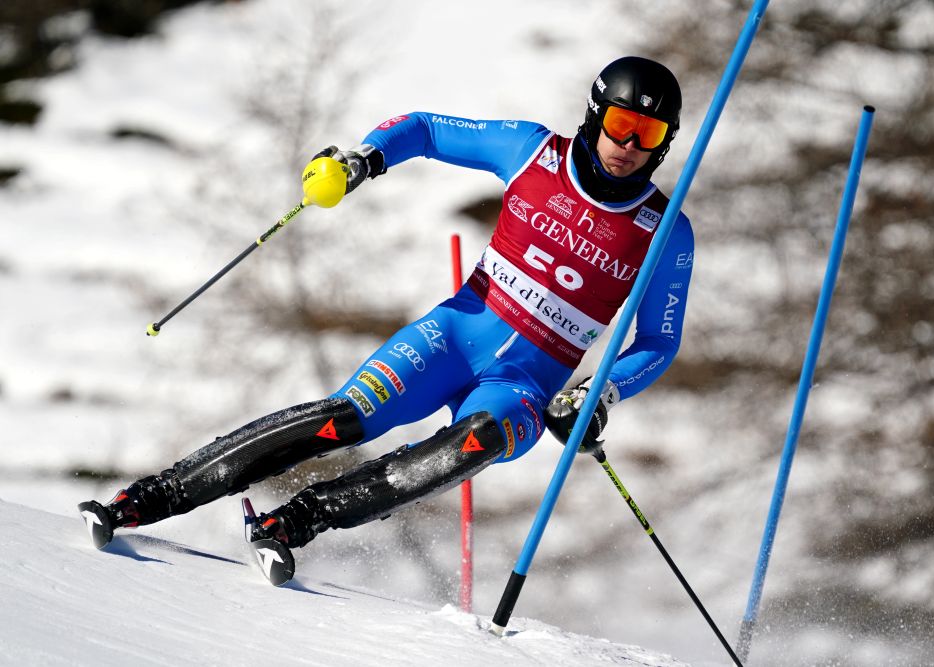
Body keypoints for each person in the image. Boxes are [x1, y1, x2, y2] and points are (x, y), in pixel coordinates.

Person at [78, 56, 695, 574]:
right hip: (454, 334)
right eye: (620, 124)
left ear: (666, 142)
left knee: (474, 442)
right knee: (344, 420)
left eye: (649, 133)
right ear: (595, 116)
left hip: (526, 386)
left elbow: (658, 342)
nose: (629, 146)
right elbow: (425, 127)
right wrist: (363, 159)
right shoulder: (532, 152)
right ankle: (150, 498)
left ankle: (293, 523)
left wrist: (600, 392)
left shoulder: (666, 231)